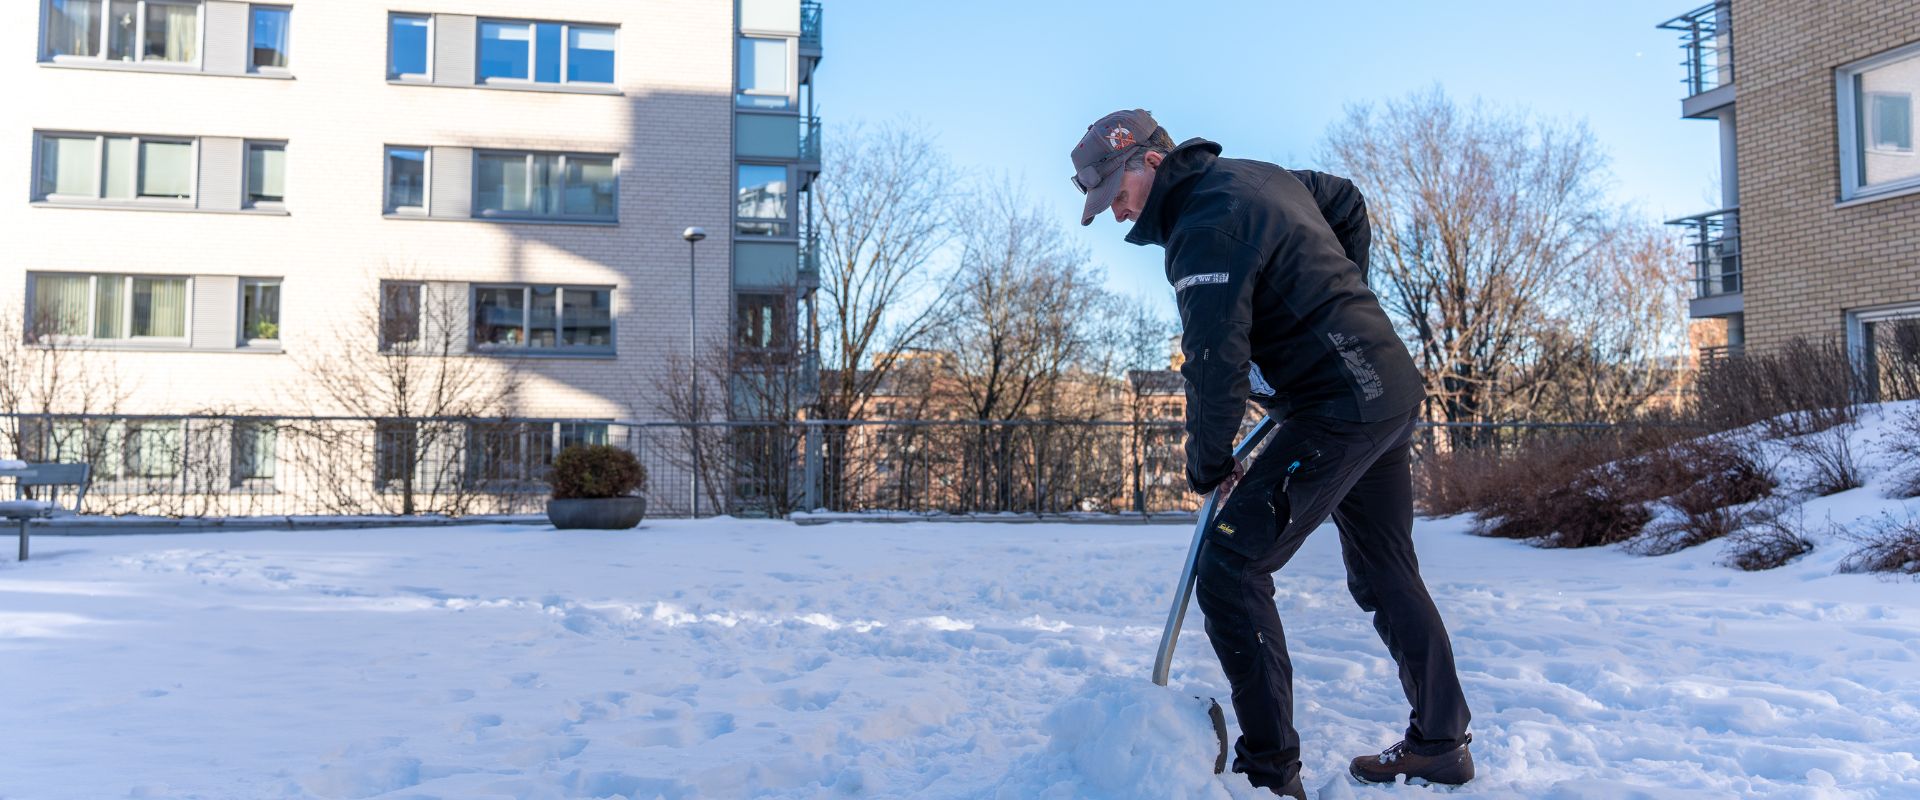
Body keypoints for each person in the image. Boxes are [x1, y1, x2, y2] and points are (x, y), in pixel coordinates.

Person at [1070, 109, 1474, 797]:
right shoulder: (1258, 177)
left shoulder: (1204, 230)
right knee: (1383, 571)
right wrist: (1347, 300)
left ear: (1152, 161)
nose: (1117, 213)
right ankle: (1441, 743)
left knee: (1229, 566)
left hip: (1337, 405)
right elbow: (1344, 197)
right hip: (1383, 385)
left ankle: (1269, 776)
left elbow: (1213, 362)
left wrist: (1207, 466)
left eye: (1117, 192)